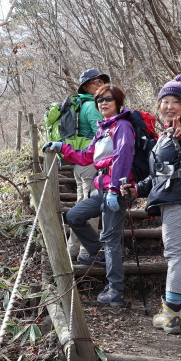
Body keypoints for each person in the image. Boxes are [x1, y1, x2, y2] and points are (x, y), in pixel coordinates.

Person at [122, 75, 181, 333]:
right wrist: (138, 188)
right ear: (159, 104)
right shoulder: (165, 134)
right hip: (178, 199)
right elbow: (161, 175)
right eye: (165, 101)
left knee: (176, 256)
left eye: (176, 102)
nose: (169, 106)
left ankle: (170, 314)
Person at [43, 84, 134, 307]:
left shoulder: (122, 126)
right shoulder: (103, 129)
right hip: (101, 189)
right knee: (74, 216)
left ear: (118, 102)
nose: (103, 103)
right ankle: (97, 251)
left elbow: (123, 158)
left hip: (116, 190)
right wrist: (62, 147)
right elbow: (86, 157)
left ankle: (115, 290)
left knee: (111, 239)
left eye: (108, 99)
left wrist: (114, 190)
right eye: (100, 100)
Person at [53, 69, 109, 260]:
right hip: (90, 163)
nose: (99, 84)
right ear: (85, 86)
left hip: (81, 164)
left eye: (101, 81)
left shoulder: (83, 105)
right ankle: (87, 251)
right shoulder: (92, 106)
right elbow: (101, 133)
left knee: (80, 208)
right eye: (94, 82)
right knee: (89, 211)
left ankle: (73, 251)